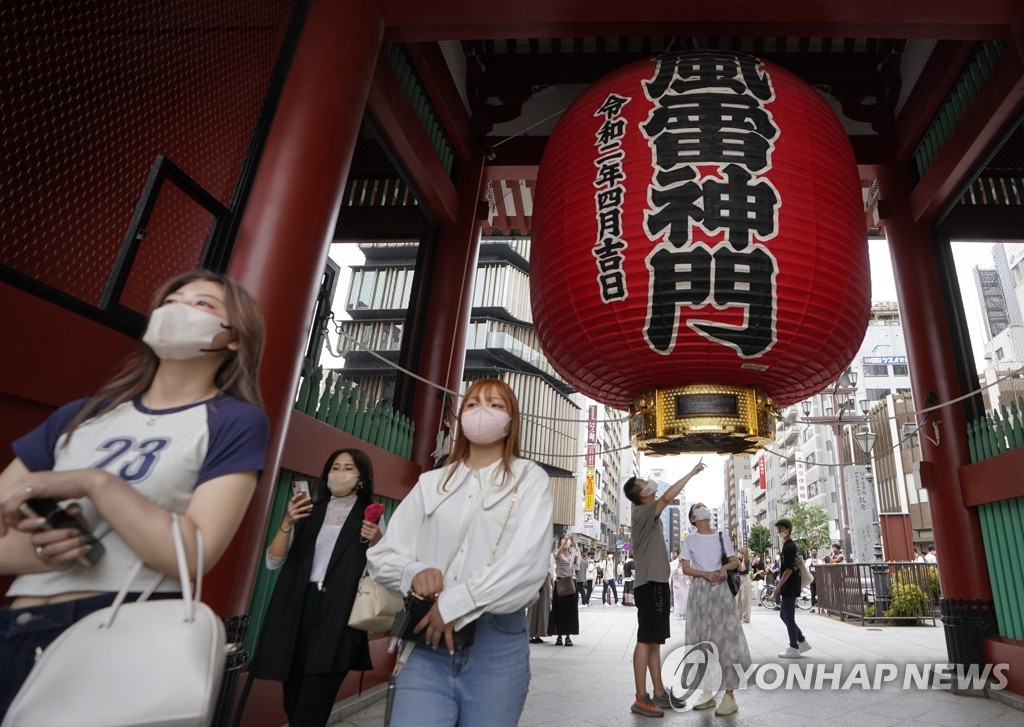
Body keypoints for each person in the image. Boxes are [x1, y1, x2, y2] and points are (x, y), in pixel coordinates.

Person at [0, 270, 269, 718]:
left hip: (120, 628)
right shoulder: (82, 414)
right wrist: (41, 553)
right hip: (17, 623)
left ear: (235, 338)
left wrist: (93, 483)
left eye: (203, 305)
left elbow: (195, 551)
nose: (178, 309)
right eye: (171, 299)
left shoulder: (235, 422)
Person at [367, 379, 553, 727]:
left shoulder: (530, 480)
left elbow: (527, 568)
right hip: (427, 645)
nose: (483, 412)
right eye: (473, 404)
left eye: (496, 405)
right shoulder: (431, 483)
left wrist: (455, 604)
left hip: (496, 645)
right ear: (459, 418)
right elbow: (383, 555)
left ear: (512, 420)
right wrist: (413, 572)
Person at [247, 449, 383, 726]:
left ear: (360, 478)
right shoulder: (310, 511)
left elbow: (385, 569)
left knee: (314, 701)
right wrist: (287, 523)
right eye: (335, 467)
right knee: (293, 696)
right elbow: (273, 561)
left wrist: (377, 539)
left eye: (348, 468)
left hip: (340, 612)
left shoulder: (370, 516)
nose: (340, 473)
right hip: (299, 608)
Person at [622, 460, 706, 718]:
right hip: (649, 584)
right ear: (643, 494)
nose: (648, 482)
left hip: (656, 583)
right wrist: (691, 472)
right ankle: (640, 697)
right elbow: (669, 496)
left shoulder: (648, 513)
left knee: (655, 641)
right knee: (645, 640)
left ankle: (658, 691)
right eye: (643, 482)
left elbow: (665, 498)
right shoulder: (642, 511)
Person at [679, 502, 751, 717]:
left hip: (721, 591)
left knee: (727, 639)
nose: (702, 510)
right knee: (702, 639)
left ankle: (729, 696)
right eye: (698, 509)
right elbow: (685, 567)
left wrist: (721, 569)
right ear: (692, 518)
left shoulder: (721, 535)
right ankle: (706, 692)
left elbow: (734, 562)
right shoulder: (689, 539)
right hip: (700, 591)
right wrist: (703, 574)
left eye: (704, 507)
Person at [774, 519, 810, 658]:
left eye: (781, 528)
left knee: (788, 617)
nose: (779, 531)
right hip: (791, 584)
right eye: (778, 529)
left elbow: (788, 570)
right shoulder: (789, 545)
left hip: (789, 585)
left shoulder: (789, 546)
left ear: (788, 529)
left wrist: (778, 586)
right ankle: (801, 640)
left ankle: (794, 647)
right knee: (784, 615)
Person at [548, 533, 579, 645]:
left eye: (567, 539)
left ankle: (568, 636)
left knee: (569, 610)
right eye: (564, 539)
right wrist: (563, 544)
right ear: (560, 541)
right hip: (560, 582)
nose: (566, 541)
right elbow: (557, 556)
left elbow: (576, 564)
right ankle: (559, 636)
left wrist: (574, 544)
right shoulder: (557, 551)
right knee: (559, 610)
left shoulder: (572, 553)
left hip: (570, 582)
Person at [528, 549, 553, 644]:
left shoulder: (549, 555)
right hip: (535, 580)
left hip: (544, 579)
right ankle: (531, 634)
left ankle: (538, 633)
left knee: (543, 607)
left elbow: (551, 570)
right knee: (533, 607)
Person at [670, 552, 689, 619]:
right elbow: (672, 573)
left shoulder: (686, 562)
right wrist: (678, 566)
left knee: (685, 598)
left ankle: (685, 612)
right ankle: (680, 612)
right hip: (678, 582)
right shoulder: (674, 563)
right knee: (679, 599)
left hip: (685, 581)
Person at [735, 546, 752, 624]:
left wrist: (743, 560)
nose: (738, 554)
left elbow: (743, 569)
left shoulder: (747, 561)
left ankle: (745, 618)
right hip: (738, 579)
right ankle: (738, 617)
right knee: (737, 598)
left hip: (745, 579)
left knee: (744, 599)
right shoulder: (737, 560)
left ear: (743, 554)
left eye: (740, 553)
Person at [807, 546, 820, 613]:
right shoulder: (808, 561)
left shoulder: (820, 561)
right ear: (811, 552)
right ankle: (813, 607)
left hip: (819, 579)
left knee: (819, 593)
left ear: (817, 552)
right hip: (811, 579)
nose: (814, 552)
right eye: (813, 551)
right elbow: (806, 570)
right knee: (812, 594)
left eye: (815, 551)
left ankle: (820, 607)